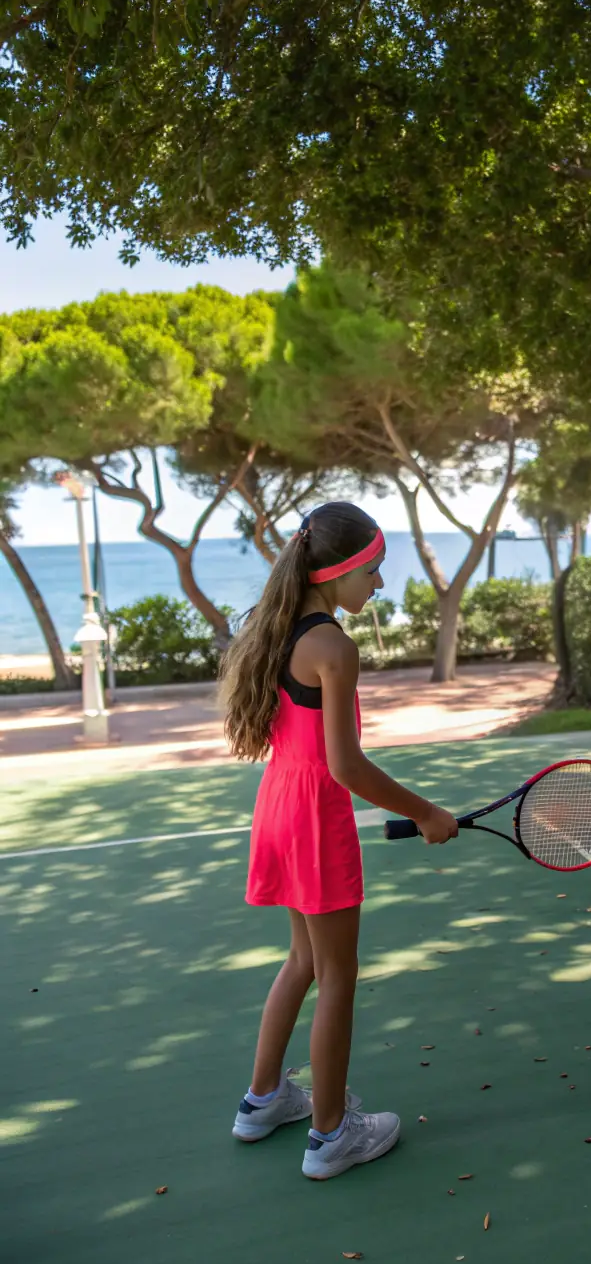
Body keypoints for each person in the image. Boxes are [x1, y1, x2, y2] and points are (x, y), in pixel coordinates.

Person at [219, 501, 459, 1178]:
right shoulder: (334, 647)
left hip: (278, 807)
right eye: (374, 571)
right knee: (338, 976)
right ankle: (329, 1135)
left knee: (302, 960)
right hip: (315, 819)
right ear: (338, 571)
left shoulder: (280, 627)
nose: (379, 584)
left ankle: (262, 1099)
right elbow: (345, 766)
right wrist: (427, 812)